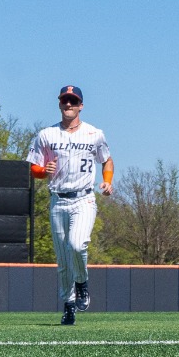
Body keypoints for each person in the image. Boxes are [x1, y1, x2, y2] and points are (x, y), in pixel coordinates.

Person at [28, 85, 114, 326]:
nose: (69, 105)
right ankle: (68, 305)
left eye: (73, 101)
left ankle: (82, 283)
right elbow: (34, 168)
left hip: (84, 198)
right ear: (59, 104)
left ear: (81, 106)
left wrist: (107, 182)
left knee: (77, 244)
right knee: (63, 260)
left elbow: (107, 160)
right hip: (58, 200)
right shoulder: (47, 134)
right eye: (65, 101)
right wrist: (43, 171)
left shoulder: (94, 133)